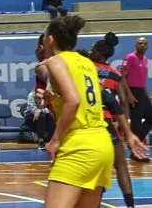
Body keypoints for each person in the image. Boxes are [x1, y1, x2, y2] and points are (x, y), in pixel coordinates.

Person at [37, 16, 113, 207]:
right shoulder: (87, 63)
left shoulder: (55, 61)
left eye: (45, 36)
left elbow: (74, 101)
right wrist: (54, 93)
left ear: (51, 39)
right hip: (102, 142)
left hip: (79, 144)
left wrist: (55, 140)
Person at [79, 32, 149, 208]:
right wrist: (124, 125)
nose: (90, 51)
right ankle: (130, 205)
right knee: (121, 166)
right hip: (110, 124)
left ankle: (92, 201)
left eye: (93, 49)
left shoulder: (86, 68)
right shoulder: (114, 74)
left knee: (93, 168)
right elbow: (124, 103)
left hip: (90, 123)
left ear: (99, 53)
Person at [122, 37, 152, 162]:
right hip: (132, 91)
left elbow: (142, 81)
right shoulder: (130, 58)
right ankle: (136, 153)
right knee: (136, 122)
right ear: (135, 45)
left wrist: (148, 95)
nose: (142, 45)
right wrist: (129, 94)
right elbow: (122, 77)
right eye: (140, 43)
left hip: (141, 92)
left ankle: (134, 144)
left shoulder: (145, 60)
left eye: (144, 43)